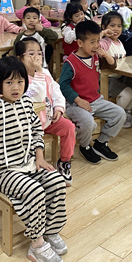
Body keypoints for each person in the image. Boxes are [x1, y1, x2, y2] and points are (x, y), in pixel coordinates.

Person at [0, 57, 67, 262]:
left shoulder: (26, 104)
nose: (15, 87)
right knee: (34, 191)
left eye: (20, 82)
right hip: (1, 171)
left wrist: (39, 156)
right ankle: (37, 244)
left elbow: (37, 131)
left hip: (28, 164)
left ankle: (50, 231)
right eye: (9, 82)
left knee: (57, 181)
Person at [59, 20, 126, 164]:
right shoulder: (70, 62)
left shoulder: (95, 56)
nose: (96, 45)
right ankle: (84, 146)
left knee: (120, 114)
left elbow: (112, 66)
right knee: (88, 123)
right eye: (92, 42)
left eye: (98, 41)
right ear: (80, 43)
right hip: (75, 104)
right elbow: (63, 85)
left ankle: (101, 143)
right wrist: (78, 100)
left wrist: (106, 55)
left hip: (96, 100)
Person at [17, 38, 76, 186]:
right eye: (31, 54)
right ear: (20, 58)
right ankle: (33, 168)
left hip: (48, 119)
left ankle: (64, 162)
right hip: (29, 126)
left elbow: (56, 90)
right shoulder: (19, 79)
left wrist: (59, 107)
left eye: (39, 53)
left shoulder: (45, 72)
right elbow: (37, 96)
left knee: (69, 127)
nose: (36, 57)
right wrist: (38, 72)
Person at [99, 12, 132, 128]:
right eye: (112, 25)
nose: (116, 29)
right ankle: (115, 118)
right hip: (104, 79)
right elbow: (93, 45)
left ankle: (126, 112)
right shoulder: (104, 42)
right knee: (127, 92)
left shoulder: (119, 42)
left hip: (120, 76)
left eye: (119, 26)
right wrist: (102, 33)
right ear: (104, 27)